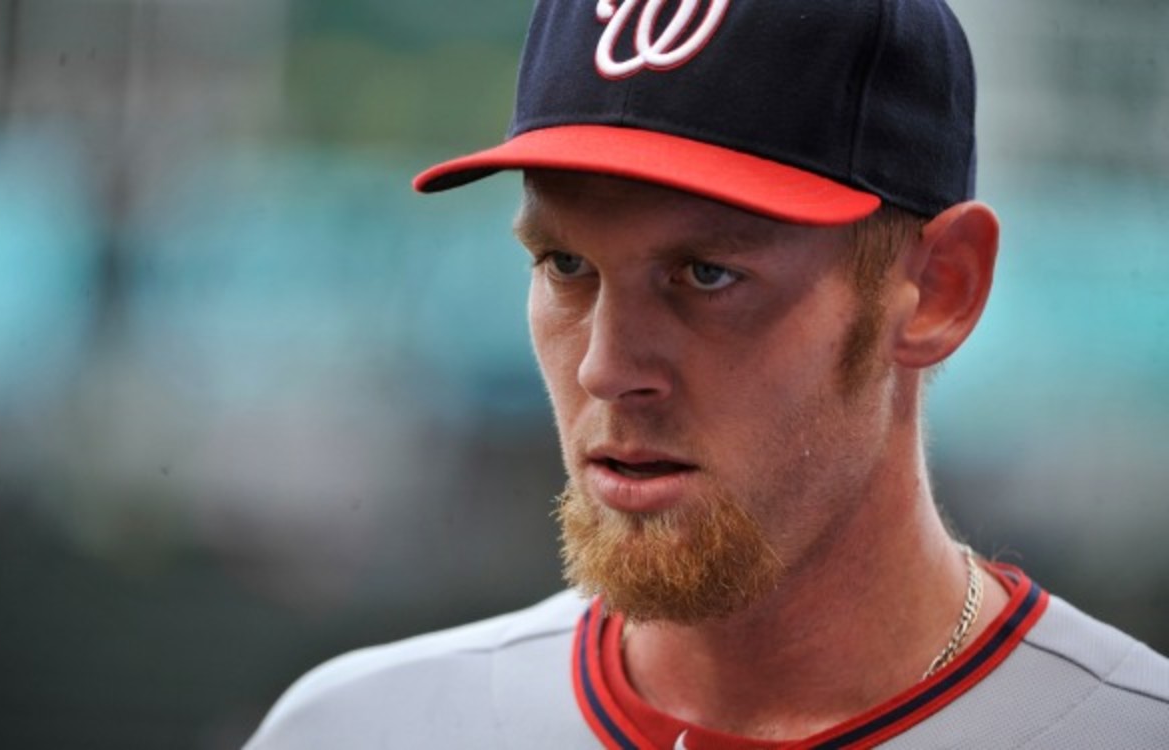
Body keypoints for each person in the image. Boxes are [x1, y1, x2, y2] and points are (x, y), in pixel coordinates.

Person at [246, 1, 1169, 747]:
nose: (609, 368)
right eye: (566, 266)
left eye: (707, 274)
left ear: (937, 290)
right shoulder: (360, 728)